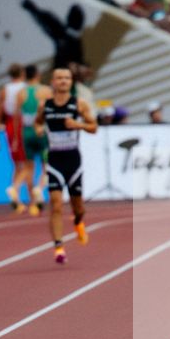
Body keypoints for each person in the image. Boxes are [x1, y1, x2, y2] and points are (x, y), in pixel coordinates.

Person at [40, 65, 97, 262]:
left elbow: (94, 127)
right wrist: (39, 129)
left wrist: (78, 125)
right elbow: (38, 122)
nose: (63, 81)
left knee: (78, 207)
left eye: (67, 78)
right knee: (55, 204)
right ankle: (58, 247)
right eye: (59, 78)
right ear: (53, 82)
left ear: (71, 82)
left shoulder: (78, 105)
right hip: (55, 159)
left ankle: (79, 222)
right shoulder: (45, 105)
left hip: (73, 160)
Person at [0, 62, 32, 212]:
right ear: (22, 73)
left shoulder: (5, 90)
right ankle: (28, 195)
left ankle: (16, 199)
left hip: (10, 124)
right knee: (28, 162)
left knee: (17, 164)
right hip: (23, 123)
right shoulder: (26, 88)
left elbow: (0, 112)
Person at [19, 64, 48, 211]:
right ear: (37, 75)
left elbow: (17, 116)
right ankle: (40, 189)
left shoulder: (21, 93)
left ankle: (33, 202)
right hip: (42, 132)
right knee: (46, 167)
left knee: (29, 168)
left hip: (27, 133)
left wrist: (16, 138)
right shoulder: (45, 91)